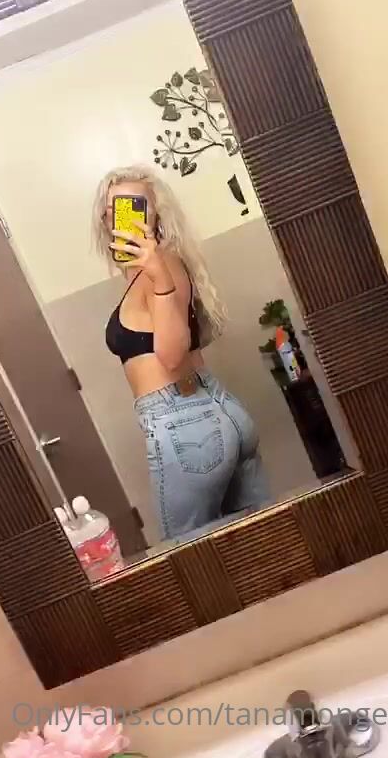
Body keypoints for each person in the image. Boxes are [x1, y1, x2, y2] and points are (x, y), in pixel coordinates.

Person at [93, 165, 269, 541]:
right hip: (214, 409)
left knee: (191, 556)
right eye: (113, 211)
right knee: (259, 538)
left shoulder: (162, 267)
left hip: (184, 427)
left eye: (135, 205)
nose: (121, 219)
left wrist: (159, 277)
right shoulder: (151, 269)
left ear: (156, 213)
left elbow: (173, 356)